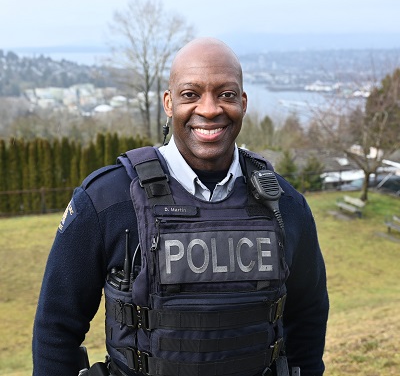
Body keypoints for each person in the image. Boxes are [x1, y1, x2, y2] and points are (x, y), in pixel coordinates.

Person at [32, 37, 329, 376]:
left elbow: (308, 315)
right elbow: (56, 327)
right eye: (191, 94)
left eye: (226, 94)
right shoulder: (106, 201)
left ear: (243, 102)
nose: (209, 109)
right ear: (169, 103)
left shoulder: (285, 205)